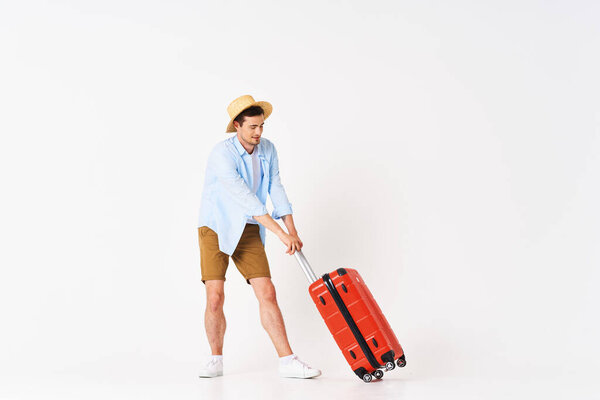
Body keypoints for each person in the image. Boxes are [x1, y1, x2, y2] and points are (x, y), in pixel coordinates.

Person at [196, 95, 321, 379]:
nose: (258, 133)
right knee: (215, 297)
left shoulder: (268, 149)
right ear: (237, 126)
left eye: (261, 126)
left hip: (249, 227)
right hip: (215, 226)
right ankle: (216, 359)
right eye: (252, 127)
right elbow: (248, 200)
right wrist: (279, 234)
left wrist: (292, 229)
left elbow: (276, 188)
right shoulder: (221, 155)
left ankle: (288, 360)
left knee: (267, 291)